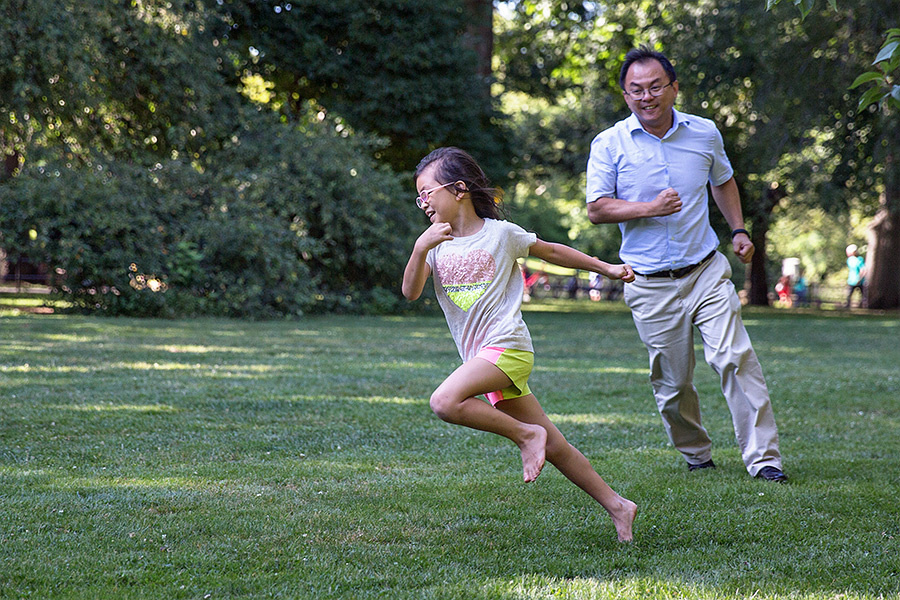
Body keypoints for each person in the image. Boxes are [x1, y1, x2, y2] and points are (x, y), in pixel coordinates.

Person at [402, 147, 638, 541]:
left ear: (458, 189)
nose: (422, 202)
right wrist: (420, 247)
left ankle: (527, 437)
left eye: (427, 192)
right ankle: (618, 505)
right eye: (419, 196)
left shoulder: (501, 235)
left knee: (444, 401)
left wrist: (605, 267)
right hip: (482, 358)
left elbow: (554, 252)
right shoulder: (435, 245)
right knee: (556, 443)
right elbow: (410, 292)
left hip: (508, 347)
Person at [585, 46, 787, 483]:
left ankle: (764, 459)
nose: (647, 96)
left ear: (674, 88)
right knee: (673, 384)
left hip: (705, 270)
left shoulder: (704, 133)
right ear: (625, 95)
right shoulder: (609, 144)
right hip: (649, 282)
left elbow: (723, 180)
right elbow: (597, 209)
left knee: (735, 358)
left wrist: (737, 230)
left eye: (656, 86)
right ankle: (696, 452)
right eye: (636, 90)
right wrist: (648, 208)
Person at [845, 244, 866, 308]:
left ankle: (863, 306)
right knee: (849, 295)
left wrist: (859, 279)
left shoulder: (859, 260)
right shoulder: (850, 260)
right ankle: (848, 306)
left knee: (863, 296)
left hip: (859, 281)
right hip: (852, 281)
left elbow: (863, 270)